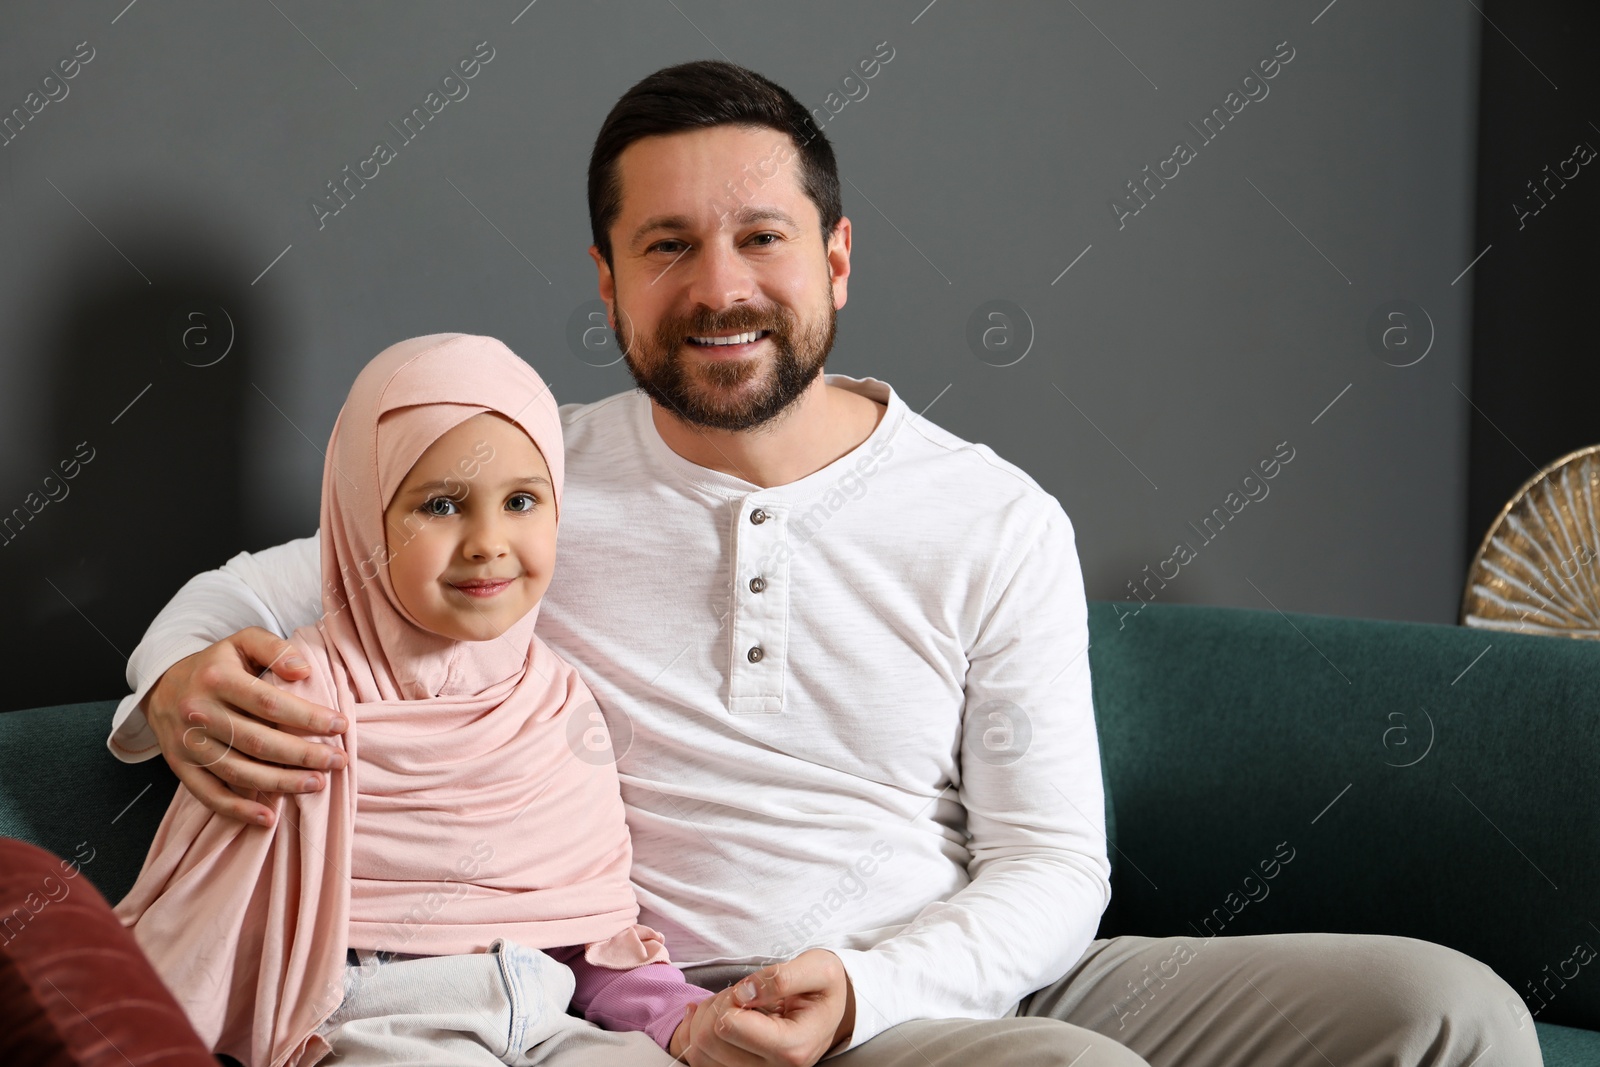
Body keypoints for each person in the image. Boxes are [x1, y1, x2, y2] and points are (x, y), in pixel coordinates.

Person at [108, 60, 1541, 1067]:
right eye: (667, 244)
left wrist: (871, 981)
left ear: (838, 260)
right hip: (706, 1012)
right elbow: (266, 587)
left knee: (1449, 1009)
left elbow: (1051, 865)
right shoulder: (528, 481)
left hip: (961, 968)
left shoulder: (990, 515)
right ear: (605, 285)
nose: (721, 284)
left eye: (762, 238)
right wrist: (175, 681)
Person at [112, 334, 713, 1065]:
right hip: (383, 1026)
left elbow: (587, 928)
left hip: (555, 1023)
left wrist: (681, 1017)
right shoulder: (299, 696)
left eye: (522, 500)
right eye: (441, 505)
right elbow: (213, 918)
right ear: (366, 515)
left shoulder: (557, 702)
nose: (488, 541)